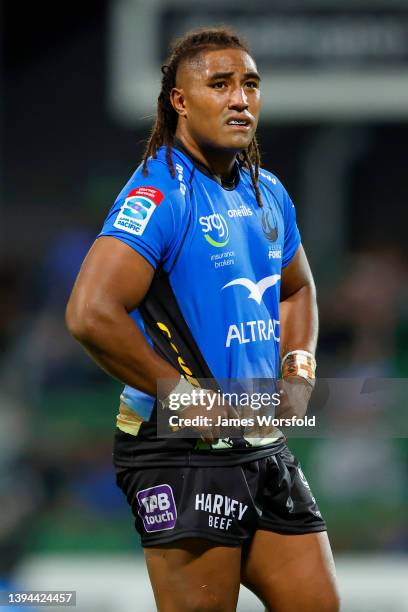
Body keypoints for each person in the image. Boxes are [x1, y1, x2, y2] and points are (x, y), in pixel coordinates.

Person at [66, 27, 339, 612]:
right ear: (180, 102)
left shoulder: (268, 192)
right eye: (220, 84)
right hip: (181, 452)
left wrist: (298, 369)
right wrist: (182, 395)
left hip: (261, 443)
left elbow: (297, 289)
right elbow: (90, 313)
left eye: (250, 85)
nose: (240, 99)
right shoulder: (161, 191)